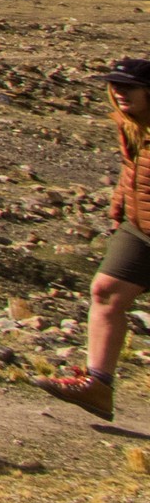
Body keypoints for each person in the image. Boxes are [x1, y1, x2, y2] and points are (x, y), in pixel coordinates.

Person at [39, 55, 150, 420]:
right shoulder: (131, 124)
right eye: (113, 85)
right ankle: (98, 386)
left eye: (127, 87)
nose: (118, 93)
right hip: (139, 227)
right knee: (105, 291)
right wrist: (119, 210)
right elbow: (131, 169)